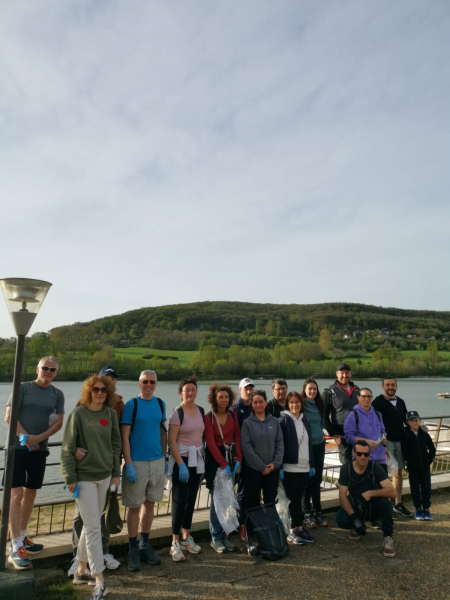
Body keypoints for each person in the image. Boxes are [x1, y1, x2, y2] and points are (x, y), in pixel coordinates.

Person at [61, 375, 121, 600]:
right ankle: (100, 579)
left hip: (104, 476)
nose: (99, 393)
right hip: (84, 477)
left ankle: (80, 570)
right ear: (89, 391)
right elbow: (68, 447)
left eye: (103, 390)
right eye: (95, 389)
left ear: (108, 393)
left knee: (90, 525)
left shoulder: (110, 414)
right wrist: (70, 476)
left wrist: (116, 474)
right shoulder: (78, 414)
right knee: (95, 527)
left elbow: (116, 445)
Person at [5, 356, 65, 571]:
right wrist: (26, 438)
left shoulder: (57, 394)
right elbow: (9, 416)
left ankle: (22, 536)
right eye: (45, 368)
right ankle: (15, 546)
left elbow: (59, 423)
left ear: (56, 372)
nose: (48, 372)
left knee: (31, 493)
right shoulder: (23, 388)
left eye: (53, 369)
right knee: (16, 494)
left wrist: (38, 440)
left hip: (39, 450)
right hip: (17, 449)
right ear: (37, 368)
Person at [121, 370, 166, 571]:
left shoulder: (160, 403)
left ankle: (144, 544)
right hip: (137, 462)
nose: (149, 385)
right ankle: (132, 548)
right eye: (145, 382)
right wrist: (128, 463)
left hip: (156, 461)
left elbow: (162, 430)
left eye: (152, 382)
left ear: (156, 384)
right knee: (134, 507)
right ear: (139, 384)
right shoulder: (132, 405)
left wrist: (164, 457)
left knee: (150, 504)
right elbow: (125, 436)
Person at [336, 440, 397, 558]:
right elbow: (342, 496)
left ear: (369, 455)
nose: (363, 457)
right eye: (359, 454)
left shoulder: (375, 468)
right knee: (340, 520)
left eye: (366, 454)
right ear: (354, 454)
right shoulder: (346, 469)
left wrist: (371, 493)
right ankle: (355, 526)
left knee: (385, 503)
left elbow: (392, 492)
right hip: (356, 504)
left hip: (372, 505)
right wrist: (354, 518)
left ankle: (387, 537)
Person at [240, 390, 284, 552]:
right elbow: (247, 447)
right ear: (252, 405)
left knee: (270, 503)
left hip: (272, 470)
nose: (258, 405)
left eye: (261, 402)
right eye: (255, 402)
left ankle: (270, 535)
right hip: (253, 470)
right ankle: (252, 538)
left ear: (266, 403)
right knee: (252, 504)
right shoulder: (247, 423)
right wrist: (260, 466)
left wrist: (275, 463)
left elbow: (280, 443)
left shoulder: (275, 422)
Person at [168, 375, 205, 562]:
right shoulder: (177, 413)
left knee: (191, 500)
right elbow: (171, 441)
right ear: (180, 393)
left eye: (193, 390)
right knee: (179, 500)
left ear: (196, 392)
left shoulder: (201, 411)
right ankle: (174, 542)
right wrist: (180, 465)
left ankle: (186, 537)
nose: (190, 393)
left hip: (196, 462)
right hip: (181, 462)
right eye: (186, 390)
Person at [204, 383, 242, 553]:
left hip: (231, 460)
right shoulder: (209, 417)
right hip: (215, 463)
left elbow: (238, 438)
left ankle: (226, 535)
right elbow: (211, 444)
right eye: (220, 397)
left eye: (226, 397)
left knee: (227, 500)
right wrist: (223, 465)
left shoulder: (233, 416)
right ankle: (215, 537)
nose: (224, 400)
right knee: (216, 501)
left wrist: (239, 459)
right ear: (214, 399)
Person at [278, 391, 315, 545]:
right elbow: (279, 445)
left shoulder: (305, 420)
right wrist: (280, 466)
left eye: (297, 402)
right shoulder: (283, 420)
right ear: (288, 404)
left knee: (299, 498)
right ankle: (291, 530)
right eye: (292, 402)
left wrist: (312, 464)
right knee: (292, 499)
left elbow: (309, 444)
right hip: (290, 467)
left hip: (304, 467)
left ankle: (299, 527)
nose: (295, 405)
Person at [372, 377, 412, 517]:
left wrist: (418, 427)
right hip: (386, 441)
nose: (390, 387)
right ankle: (387, 505)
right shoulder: (377, 402)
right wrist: (382, 443)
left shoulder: (400, 402)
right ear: (382, 387)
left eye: (393, 385)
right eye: (387, 385)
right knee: (386, 474)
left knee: (398, 473)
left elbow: (405, 420)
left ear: (396, 386)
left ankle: (397, 503)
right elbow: (375, 423)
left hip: (399, 441)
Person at [301, 378, 328, 528]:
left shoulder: (319, 405)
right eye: (309, 389)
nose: (312, 391)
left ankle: (318, 511)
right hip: (305, 447)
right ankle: (306, 513)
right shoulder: (300, 405)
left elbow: (321, 423)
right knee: (307, 482)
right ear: (304, 390)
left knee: (317, 480)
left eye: (314, 389)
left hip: (319, 445)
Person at [402, 410, 436, 521]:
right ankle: (418, 508)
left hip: (425, 467)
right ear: (408, 422)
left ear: (419, 421)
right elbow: (404, 451)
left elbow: (432, 448)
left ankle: (426, 508)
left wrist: (429, 460)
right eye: (411, 421)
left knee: (426, 488)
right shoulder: (405, 435)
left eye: (416, 420)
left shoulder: (424, 434)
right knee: (415, 489)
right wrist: (410, 461)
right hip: (413, 468)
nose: (414, 422)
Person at [322, 363, 359, 464]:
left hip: (359, 434)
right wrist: (333, 434)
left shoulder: (358, 390)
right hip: (342, 435)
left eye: (347, 373)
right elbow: (323, 415)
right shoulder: (330, 392)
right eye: (342, 373)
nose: (344, 375)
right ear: (336, 374)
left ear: (350, 374)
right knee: (347, 466)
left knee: (360, 464)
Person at [233, 377, 254, 541]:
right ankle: (240, 524)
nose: (249, 391)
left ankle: (248, 523)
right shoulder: (234, 409)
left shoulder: (257, 406)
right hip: (239, 457)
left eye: (250, 388)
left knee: (250, 492)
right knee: (240, 493)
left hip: (254, 456)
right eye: (245, 388)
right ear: (240, 391)